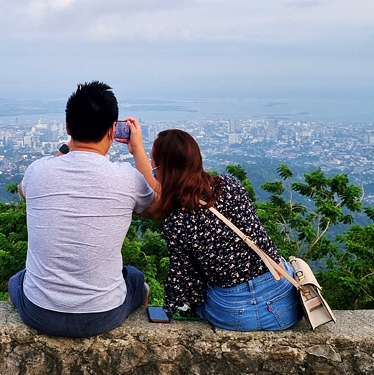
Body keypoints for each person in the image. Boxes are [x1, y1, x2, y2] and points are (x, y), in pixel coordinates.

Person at [8, 81, 157, 337]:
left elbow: (23, 191)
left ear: (67, 127)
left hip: (39, 312)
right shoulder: (127, 178)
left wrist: (65, 151)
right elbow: (157, 205)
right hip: (102, 315)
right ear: (113, 130)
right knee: (135, 278)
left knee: (17, 281)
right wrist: (138, 150)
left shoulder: (37, 171)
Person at [129, 128, 303, 331]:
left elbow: (182, 280)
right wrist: (137, 150)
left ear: (163, 170)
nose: (152, 167)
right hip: (284, 307)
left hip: (233, 314)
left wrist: (173, 304)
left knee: (203, 291)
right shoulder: (230, 185)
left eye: (154, 163)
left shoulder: (176, 221)